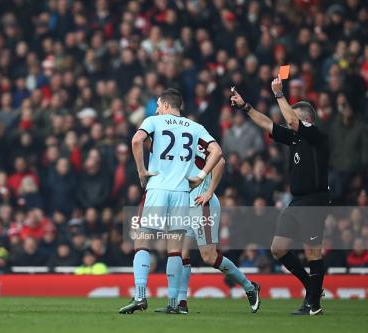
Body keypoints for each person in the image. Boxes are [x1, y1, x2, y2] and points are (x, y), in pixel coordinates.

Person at [231, 77, 330, 315]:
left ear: (305, 119)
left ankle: (313, 305)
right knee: (278, 248)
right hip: (297, 201)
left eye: (292, 117)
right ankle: (311, 287)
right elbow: (267, 124)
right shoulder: (295, 137)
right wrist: (246, 107)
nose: (288, 121)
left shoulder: (316, 136)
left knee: (312, 251)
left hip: (315, 199)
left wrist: (279, 94)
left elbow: (292, 120)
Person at [119, 89, 222, 314]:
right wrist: (202, 176)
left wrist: (141, 171)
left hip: (157, 187)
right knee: (174, 248)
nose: (156, 109)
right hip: (182, 192)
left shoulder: (153, 120)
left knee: (142, 240)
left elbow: (137, 140)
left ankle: (139, 295)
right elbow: (217, 151)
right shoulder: (196, 127)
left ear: (165, 105)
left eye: (158, 105)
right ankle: (174, 303)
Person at [176, 149, 260, 314]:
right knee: (181, 254)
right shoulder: (174, 145)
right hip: (187, 206)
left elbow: (220, 162)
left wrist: (210, 191)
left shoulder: (196, 139)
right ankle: (181, 303)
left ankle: (250, 287)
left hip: (202, 205)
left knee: (209, 257)